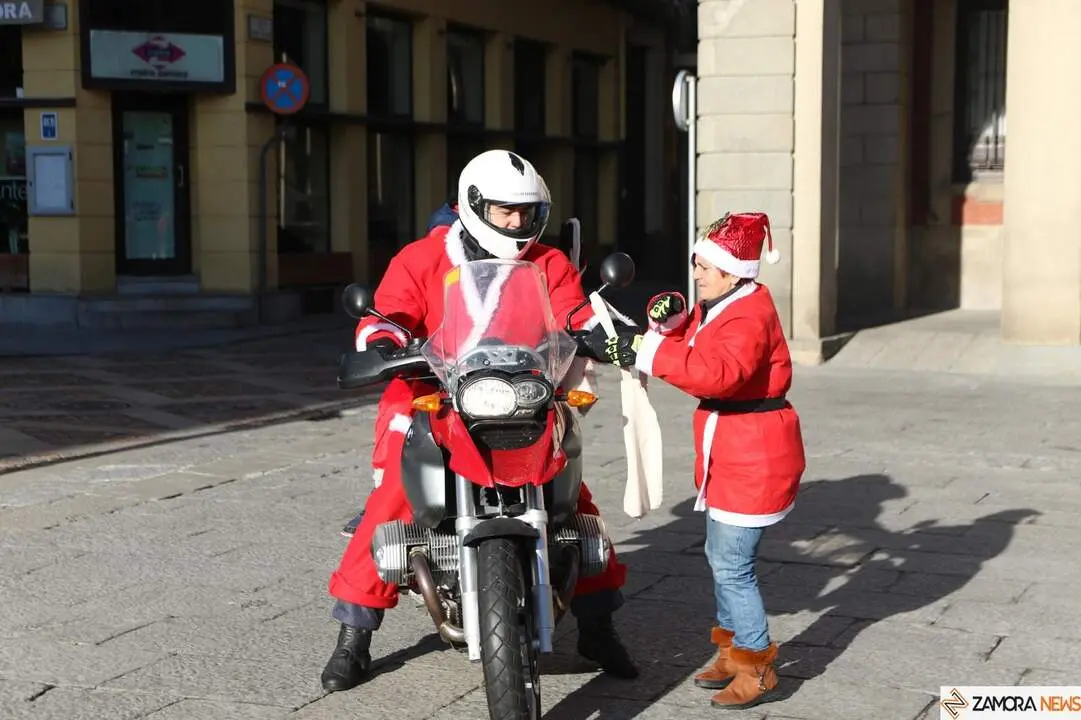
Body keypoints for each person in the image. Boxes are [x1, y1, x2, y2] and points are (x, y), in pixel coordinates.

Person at [321, 149, 643, 693]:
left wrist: (602, 331)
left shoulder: (549, 261)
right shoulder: (422, 258)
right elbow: (390, 312)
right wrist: (384, 339)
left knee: (572, 494)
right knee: (395, 496)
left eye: (526, 211)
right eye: (503, 211)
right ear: (473, 205)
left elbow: (573, 310)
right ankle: (354, 635)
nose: (517, 223)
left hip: (522, 392)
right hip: (436, 391)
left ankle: (598, 623)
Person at [624, 212, 807, 710]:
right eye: (696, 263)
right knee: (721, 558)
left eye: (704, 266)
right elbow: (701, 349)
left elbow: (718, 375)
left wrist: (647, 349)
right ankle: (730, 652)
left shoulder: (748, 314)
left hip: (754, 452)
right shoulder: (727, 302)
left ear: (731, 270)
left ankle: (757, 665)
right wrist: (673, 329)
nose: (696, 274)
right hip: (736, 447)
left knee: (733, 565)